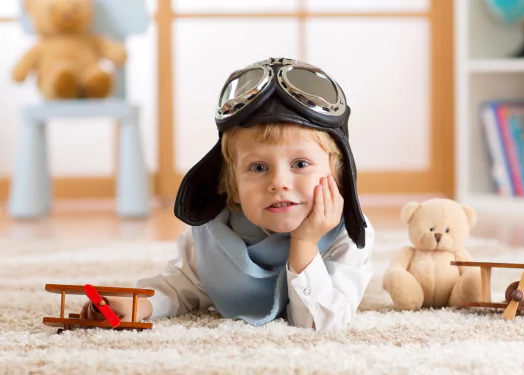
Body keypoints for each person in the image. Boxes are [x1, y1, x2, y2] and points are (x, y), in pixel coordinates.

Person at [80, 57, 375, 330]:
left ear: (336, 175)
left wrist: (306, 243)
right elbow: (183, 285)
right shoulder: (215, 232)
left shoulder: (346, 235)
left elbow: (320, 323)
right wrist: (140, 305)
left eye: (300, 164)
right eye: (258, 167)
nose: (279, 183)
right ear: (232, 182)